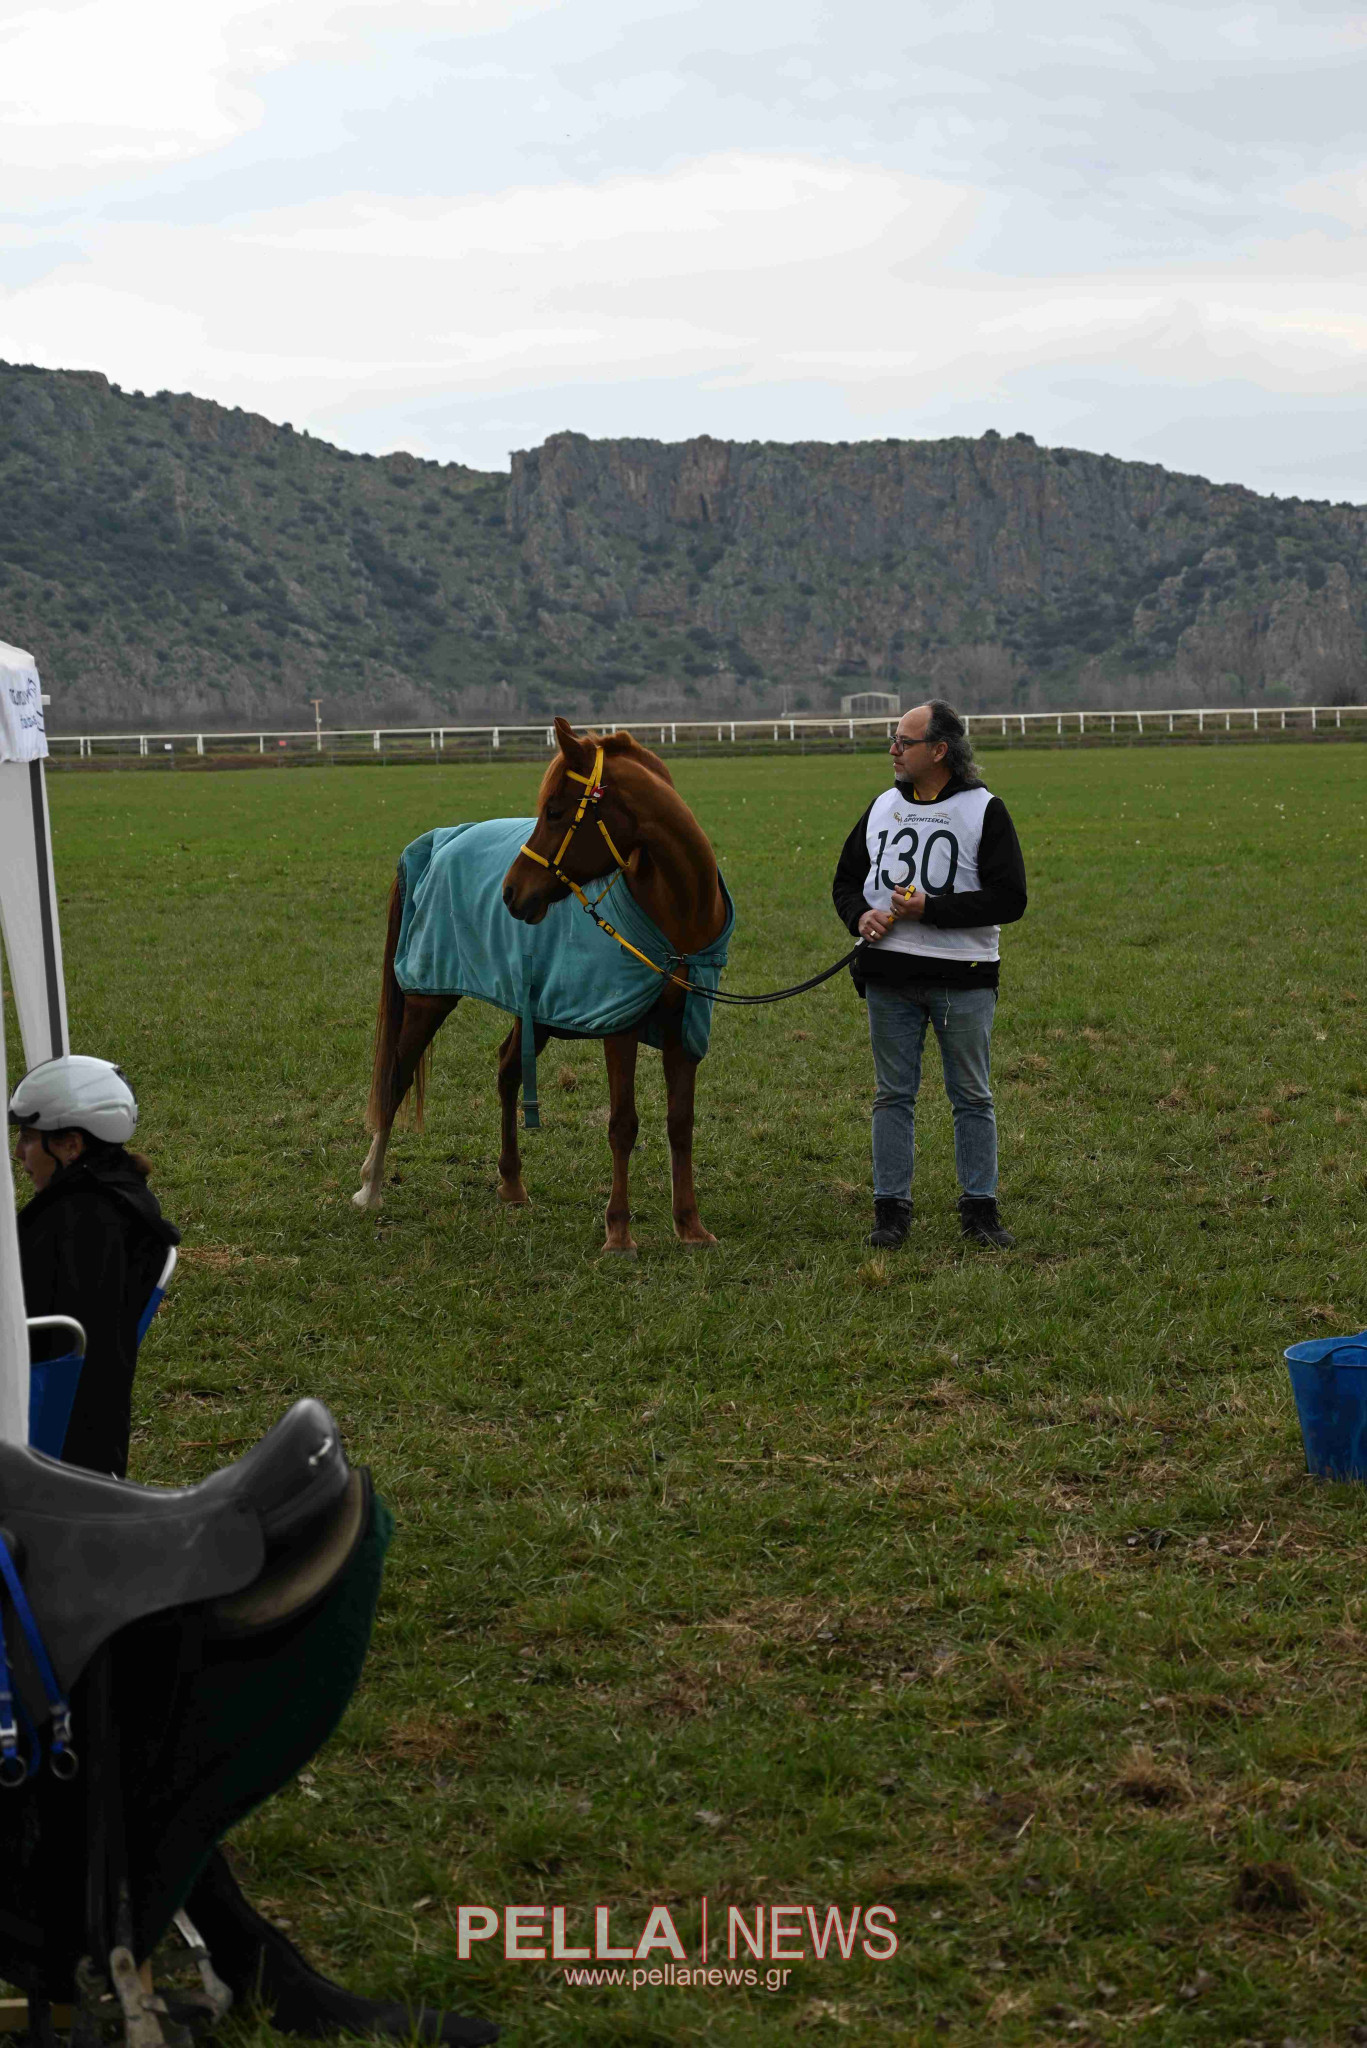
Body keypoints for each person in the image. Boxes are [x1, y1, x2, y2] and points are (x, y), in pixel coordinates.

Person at [9, 1055, 498, 2047]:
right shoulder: (124, 1211)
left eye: (26, 1136)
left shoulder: (69, 1230)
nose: (18, 1153)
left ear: (64, 1145)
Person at [831, 700, 1028, 1252]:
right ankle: (890, 1212)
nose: (893, 750)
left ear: (939, 750)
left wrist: (930, 910)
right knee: (892, 1096)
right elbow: (846, 881)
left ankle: (980, 1212)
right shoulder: (882, 806)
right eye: (893, 740)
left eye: (904, 741)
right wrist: (858, 915)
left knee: (971, 1096)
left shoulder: (985, 810)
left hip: (961, 978)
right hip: (887, 976)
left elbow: (1010, 899)